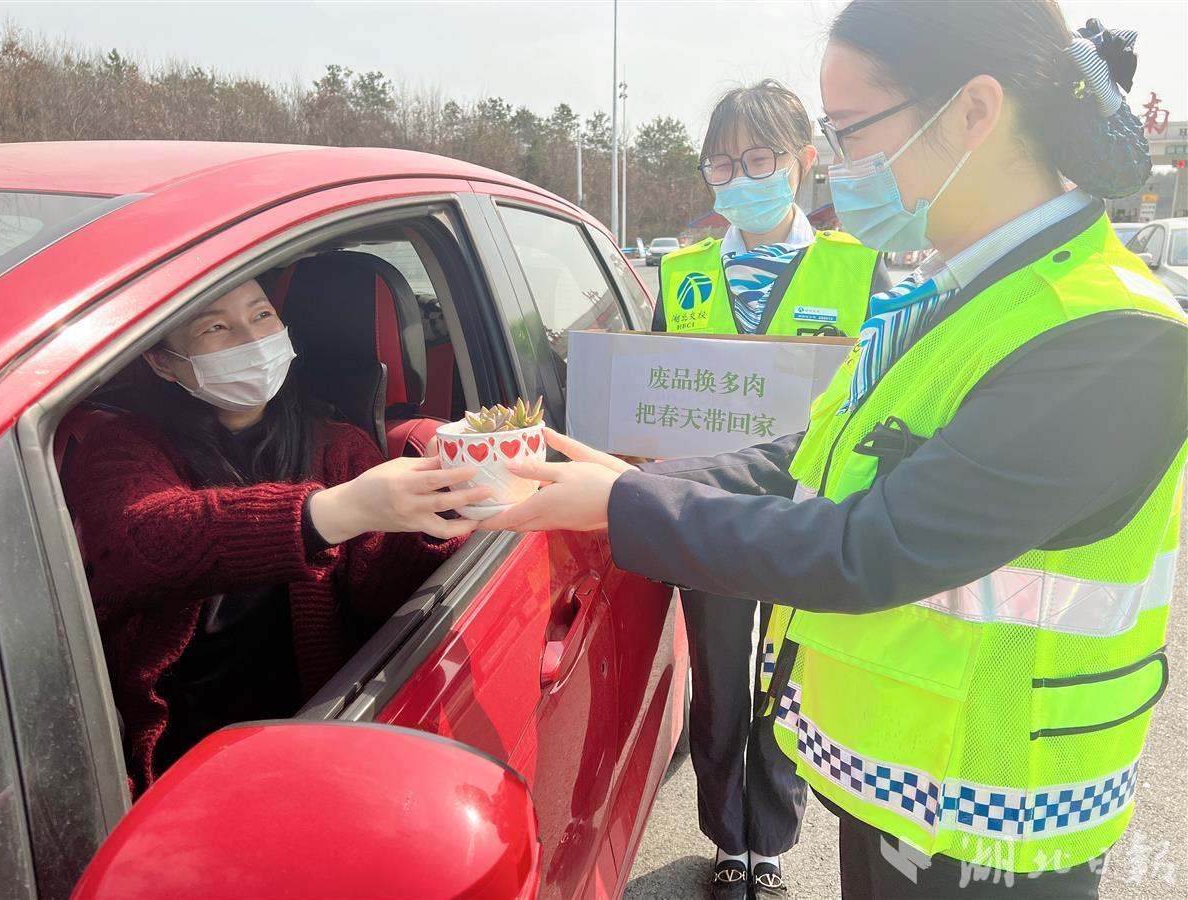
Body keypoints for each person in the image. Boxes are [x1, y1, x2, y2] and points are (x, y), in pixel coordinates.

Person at [481, 2, 1188, 896]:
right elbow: (812, 456)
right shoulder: (965, 291)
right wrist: (626, 476)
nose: (840, 165)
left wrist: (626, 508)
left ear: (974, 111)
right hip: (907, 785)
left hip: (997, 817)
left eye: (850, 133)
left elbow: (873, 545)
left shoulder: (1109, 336)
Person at [65, 278, 490, 792]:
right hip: (174, 748)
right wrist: (330, 511)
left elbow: (380, 588)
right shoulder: (121, 447)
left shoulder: (339, 446)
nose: (250, 339)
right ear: (162, 362)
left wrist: (447, 511)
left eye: (262, 316)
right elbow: (141, 537)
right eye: (216, 326)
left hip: (304, 728)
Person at [652, 79, 890, 900]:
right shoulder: (679, 273)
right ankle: (727, 837)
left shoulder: (859, 270)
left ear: (803, 162)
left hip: (805, 520)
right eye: (723, 163)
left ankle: (773, 840)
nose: (742, 177)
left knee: (783, 686)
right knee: (719, 684)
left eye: (760, 158)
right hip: (711, 519)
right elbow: (653, 393)